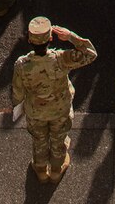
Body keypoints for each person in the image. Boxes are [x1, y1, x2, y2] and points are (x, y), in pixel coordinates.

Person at [13, 17, 97, 183]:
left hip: (35, 112)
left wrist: (19, 106)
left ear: (30, 40)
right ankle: (56, 170)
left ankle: (41, 170)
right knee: (59, 140)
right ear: (50, 39)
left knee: (39, 140)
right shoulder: (61, 58)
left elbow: (17, 92)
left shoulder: (22, 64)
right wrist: (71, 36)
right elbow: (90, 54)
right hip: (60, 110)